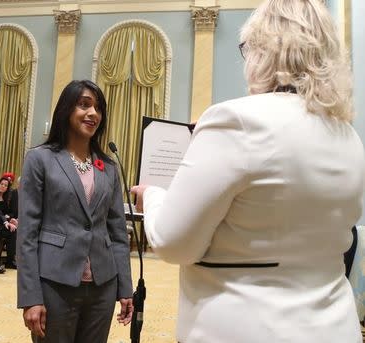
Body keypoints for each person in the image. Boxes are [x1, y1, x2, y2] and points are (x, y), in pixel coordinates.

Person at [131, 1, 364, 342]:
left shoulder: (236, 120)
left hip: (244, 329)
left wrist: (153, 196)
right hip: (334, 328)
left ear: (263, 50)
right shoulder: (349, 136)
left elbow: (173, 243)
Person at [17, 79, 133, 342]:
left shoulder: (108, 166)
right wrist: (30, 296)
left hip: (103, 287)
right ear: (66, 110)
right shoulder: (41, 158)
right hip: (55, 283)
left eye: (98, 108)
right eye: (84, 105)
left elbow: (117, 233)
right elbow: (27, 233)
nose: (93, 113)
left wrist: (125, 287)